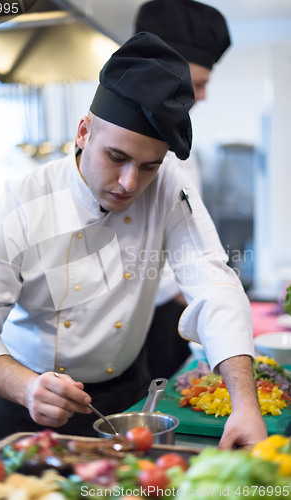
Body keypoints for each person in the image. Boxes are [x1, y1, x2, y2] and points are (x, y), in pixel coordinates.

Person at [0, 32, 266, 449]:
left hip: (129, 398)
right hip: (30, 406)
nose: (129, 183)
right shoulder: (24, 201)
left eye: (148, 167)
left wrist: (244, 403)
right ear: (84, 132)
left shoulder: (167, 188)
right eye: (117, 158)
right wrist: (27, 387)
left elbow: (214, 283)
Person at [135, 0, 232, 379]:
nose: (204, 96)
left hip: (178, 309)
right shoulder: (117, 141)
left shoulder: (179, 142)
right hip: (147, 322)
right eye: (201, 83)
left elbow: (190, 238)